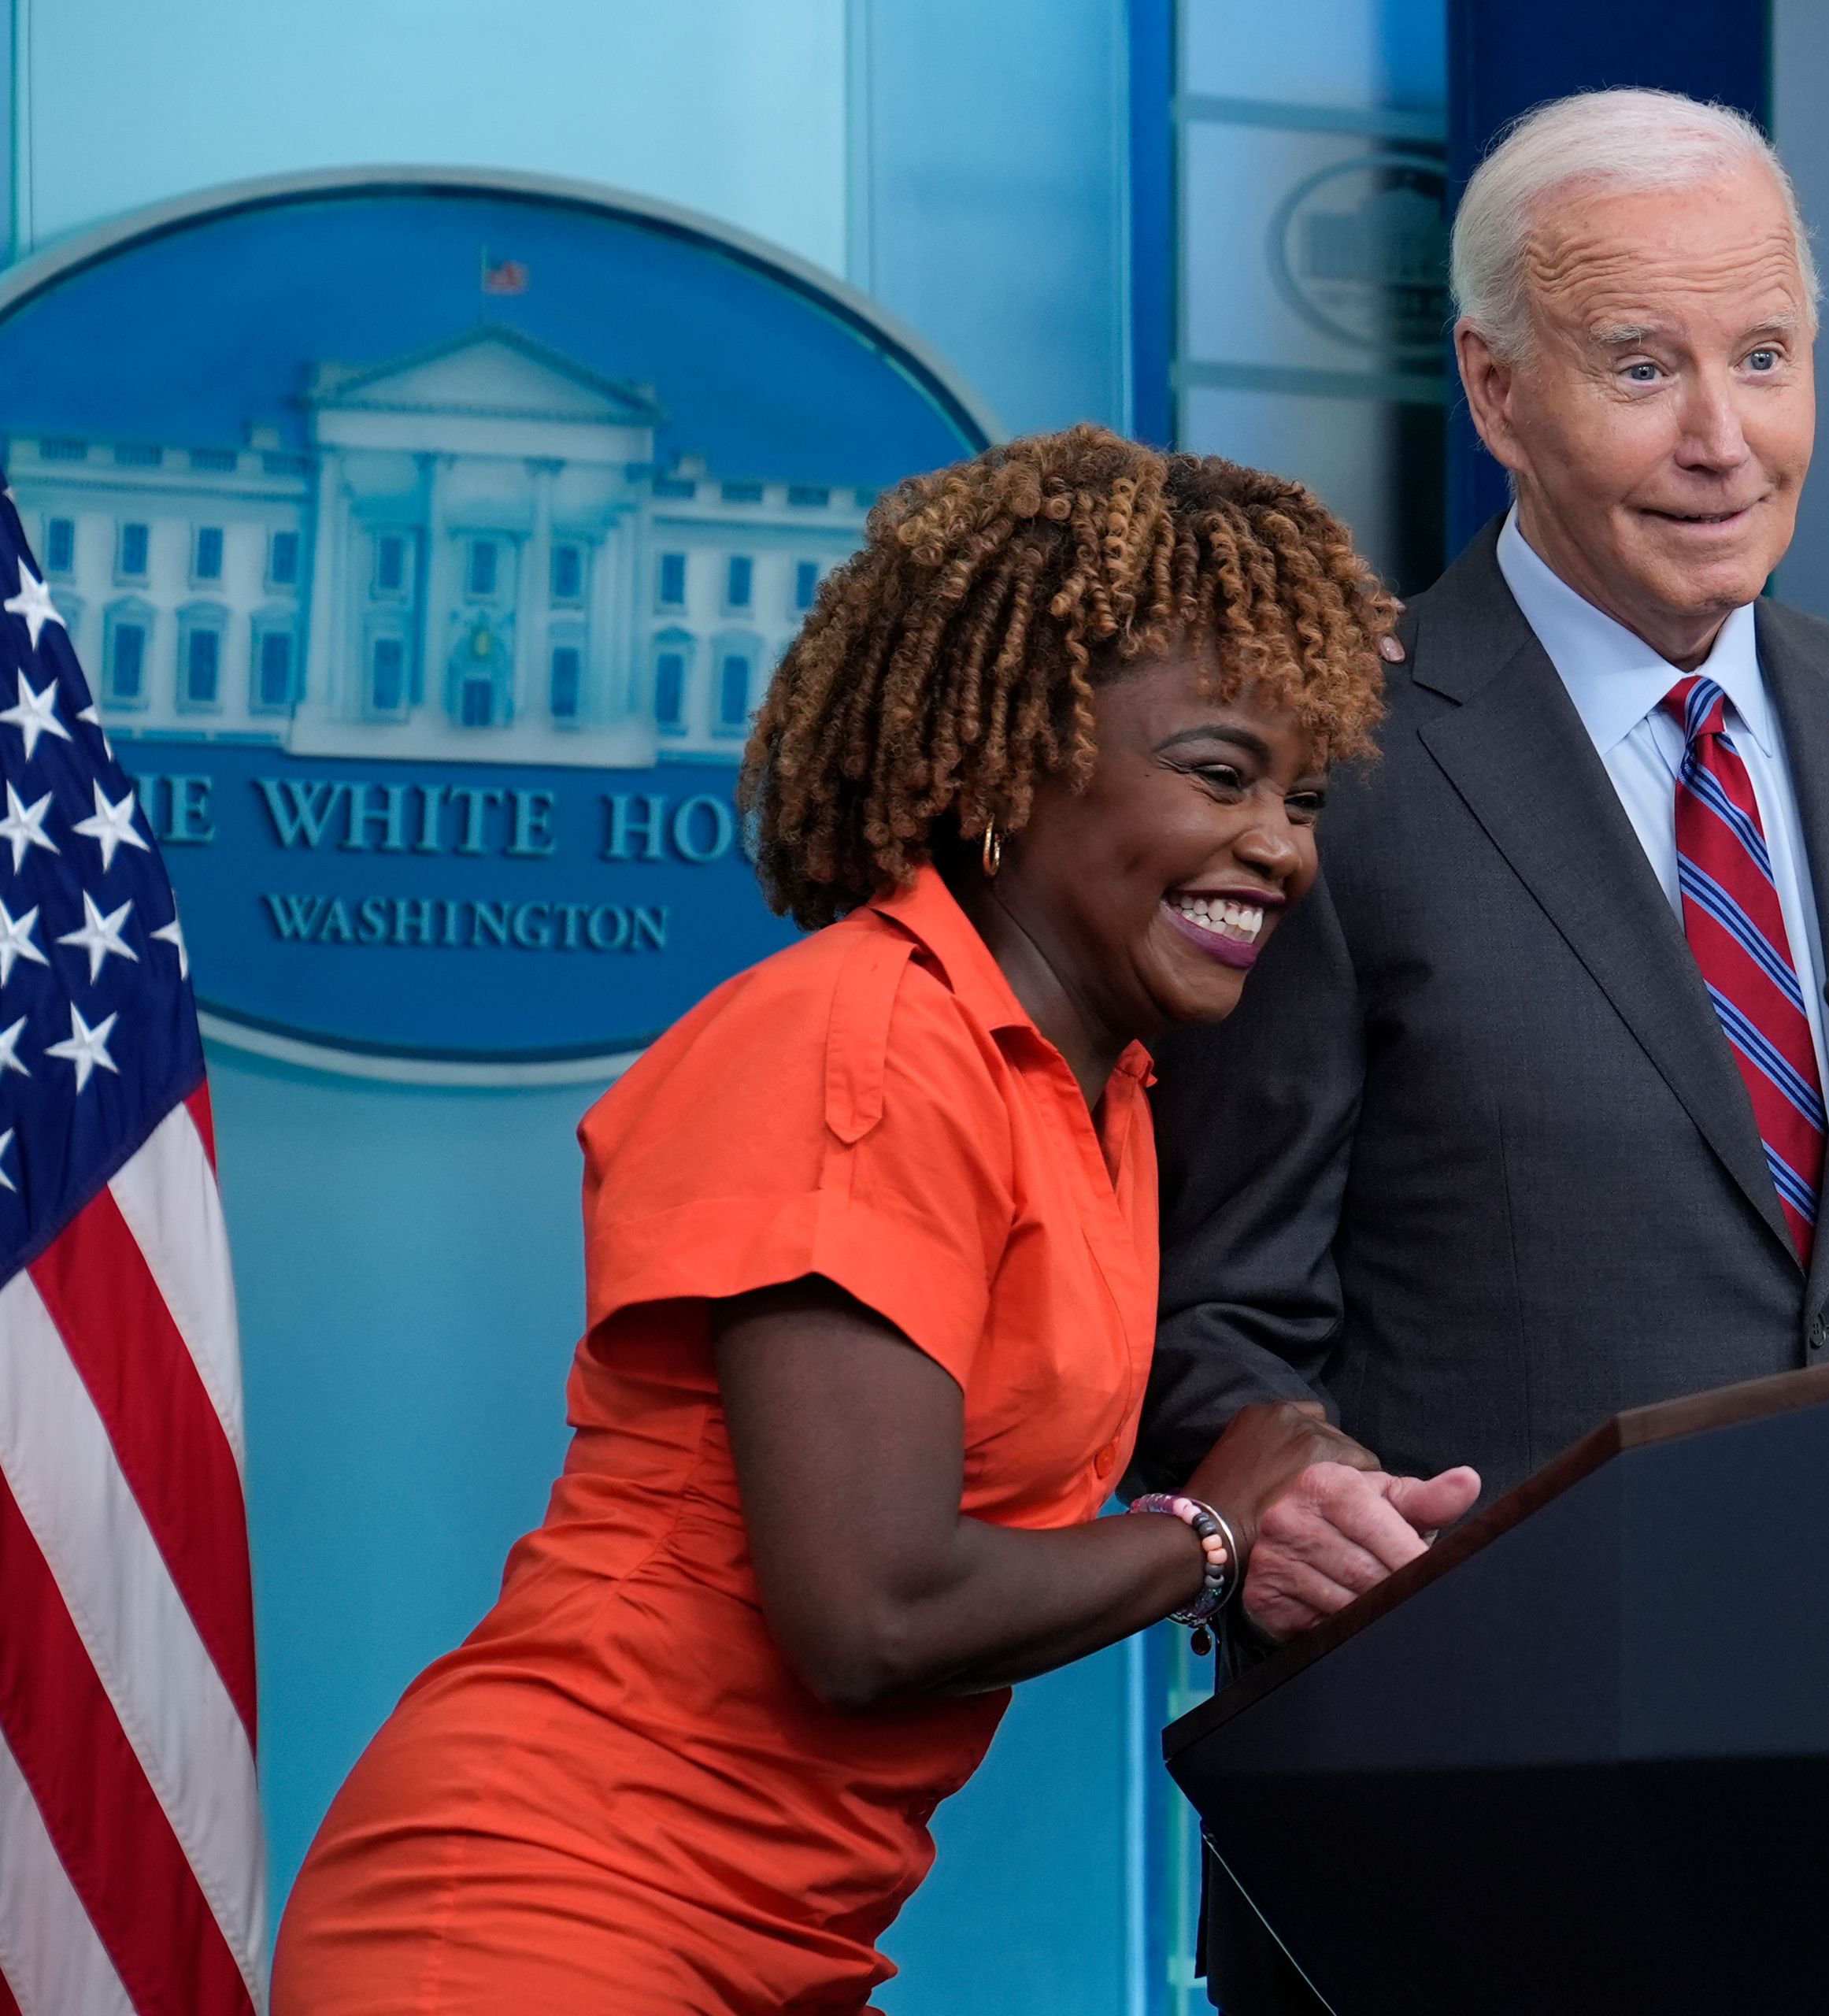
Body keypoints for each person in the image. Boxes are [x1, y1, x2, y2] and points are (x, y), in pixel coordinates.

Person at [1131, 91, 1829, 2009]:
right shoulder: (1327, 763)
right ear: (1496, 393)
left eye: (1764, 356)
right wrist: (1275, 1486)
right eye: (1643, 365)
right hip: (1480, 1810)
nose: (1721, 438)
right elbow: (1200, 1300)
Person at [272, 425, 1402, 2015]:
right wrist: (1206, 1533)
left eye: (1304, 795)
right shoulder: (860, 1040)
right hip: (543, 1913)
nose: (1282, 846)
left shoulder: (1107, 1089)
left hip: (768, 1943)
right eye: (1219, 773)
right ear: (1013, 762)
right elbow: (869, 1612)